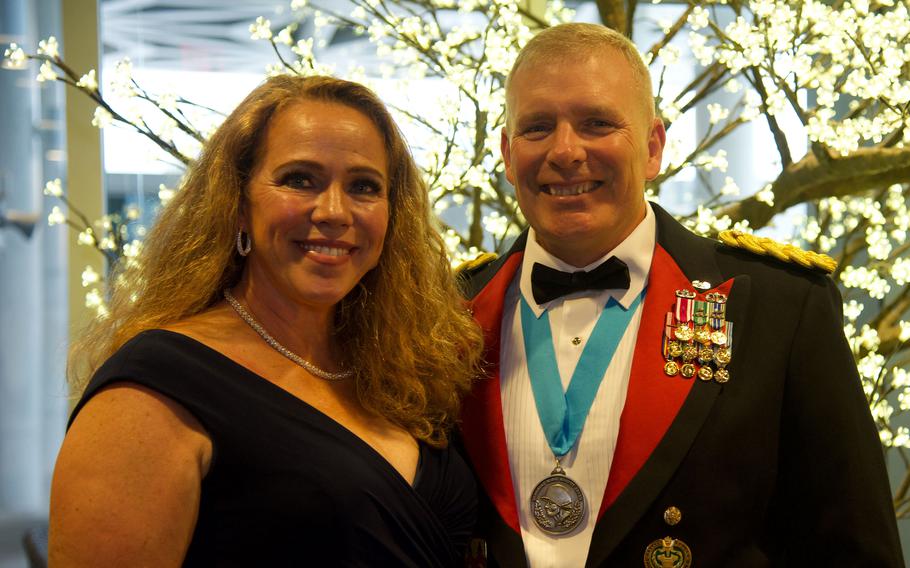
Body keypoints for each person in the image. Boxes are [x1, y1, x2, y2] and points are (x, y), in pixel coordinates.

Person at [457, 23, 903, 567]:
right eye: (537, 128)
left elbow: (852, 552)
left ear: (652, 147)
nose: (566, 151)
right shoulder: (445, 315)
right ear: (507, 152)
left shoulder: (778, 310)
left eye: (597, 123)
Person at [49, 75, 484, 567]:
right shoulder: (157, 387)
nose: (335, 211)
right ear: (236, 203)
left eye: (364, 186)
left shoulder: (399, 370)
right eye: (300, 179)